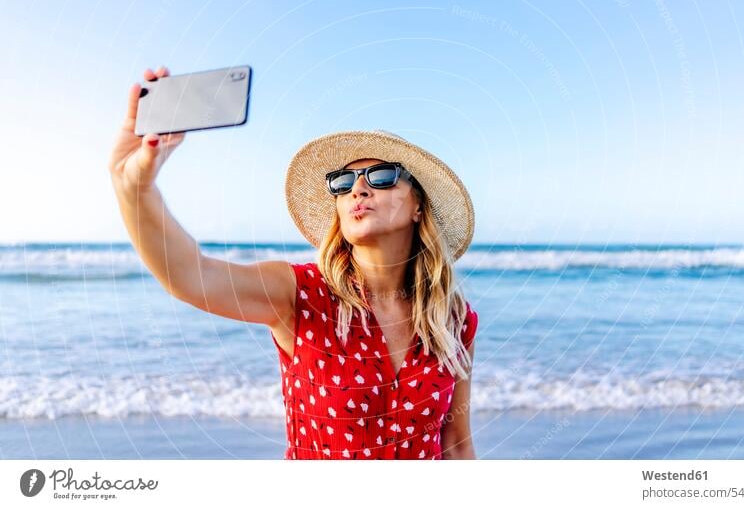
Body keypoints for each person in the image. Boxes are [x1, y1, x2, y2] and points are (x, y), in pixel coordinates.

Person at [108, 66, 480, 460]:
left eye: (382, 175)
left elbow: (456, 442)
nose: (358, 188)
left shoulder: (454, 318)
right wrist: (134, 188)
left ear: (419, 205)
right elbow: (190, 275)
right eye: (343, 182)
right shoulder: (300, 295)